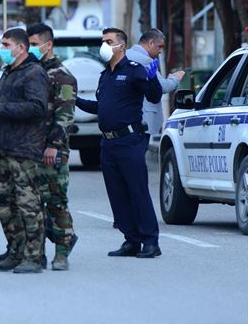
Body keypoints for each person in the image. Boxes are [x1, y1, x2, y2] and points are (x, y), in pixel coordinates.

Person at [77, 27, 163, 259]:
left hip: (129, 140)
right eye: (103, 41)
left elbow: (153, 96)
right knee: (117, 193)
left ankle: (150, 241)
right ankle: (131, 239)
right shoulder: (105, 75)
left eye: (109, 41)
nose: (104, 45)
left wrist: (153, 76)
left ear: (121, 46)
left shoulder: (135, 71)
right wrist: (74, 100)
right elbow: (100, 107)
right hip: (108, 143)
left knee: (137, 191)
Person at [0, 28, 49, 273]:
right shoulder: (9, 72)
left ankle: (34, 256)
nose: (2, 49)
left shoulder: (34, 73)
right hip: (3, 147)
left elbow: (36, 107)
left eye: (6, 44)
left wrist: (0, 109)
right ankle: (15, 250)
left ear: (20, 48)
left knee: (28, 204)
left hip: (23, 149)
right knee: (4, 202)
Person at [27, 24, 78, 270]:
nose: (31, 48)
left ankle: (62, 252)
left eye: (35, 44)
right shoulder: (29, 72)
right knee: (32, 204)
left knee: (56, 202)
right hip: (28, 149)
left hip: (52, 150)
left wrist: (53, 146)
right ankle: (37, 254)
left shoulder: (62, 75)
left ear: (48, 45)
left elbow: (65, 116)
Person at [125, 28, 185, 136]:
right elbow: (162, 87)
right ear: (151, 43)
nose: (160, 51)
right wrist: (175, 79)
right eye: (160, 46)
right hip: (143, 120)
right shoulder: (145, 60)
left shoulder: (126, 55)